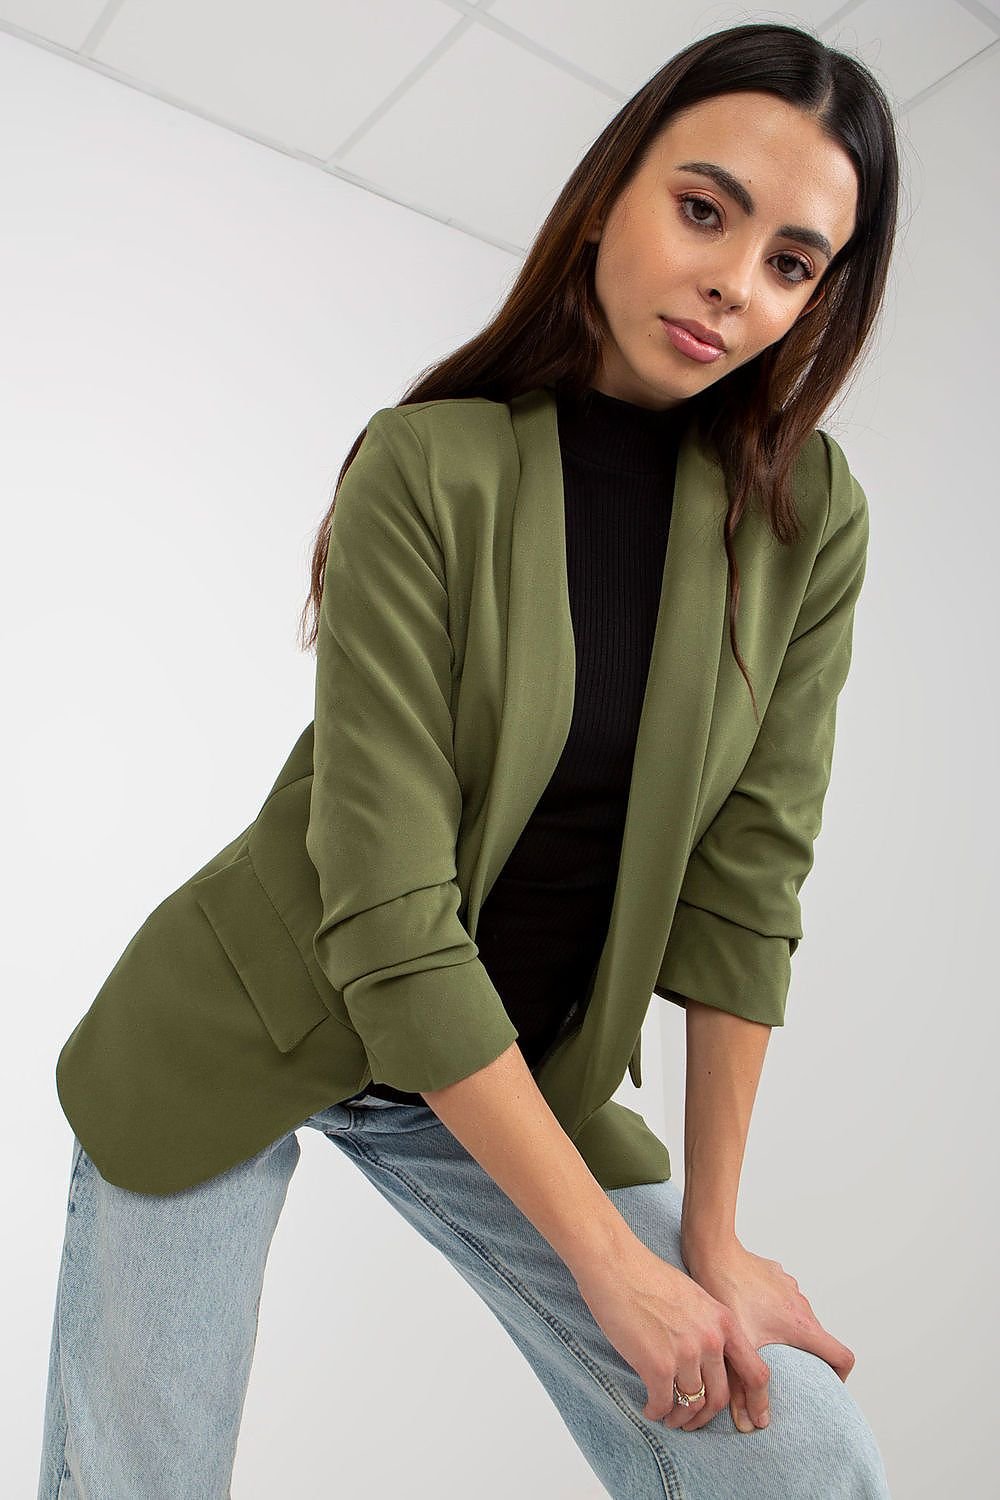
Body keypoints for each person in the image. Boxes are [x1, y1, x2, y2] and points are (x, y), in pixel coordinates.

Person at [38, 21, 898, 1500]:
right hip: (251, 1016)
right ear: (611, 195)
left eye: (791, 263)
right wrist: (608, 1271)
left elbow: (747, 887)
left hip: (515, 1066)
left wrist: (710, 1239)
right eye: (705, 210)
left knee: (803, 1461)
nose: (734, 285)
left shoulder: (804, 517)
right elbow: (388, 917)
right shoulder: (427, 463)